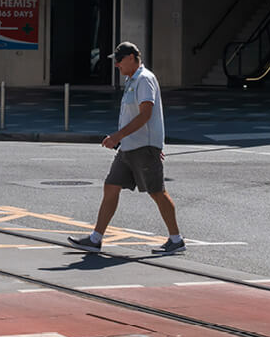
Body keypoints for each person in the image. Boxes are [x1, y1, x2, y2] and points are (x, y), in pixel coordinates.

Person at [67, 42, 184, 255]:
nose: (117, 65)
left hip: (143, 148)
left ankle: (176, 240)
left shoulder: (144, 79)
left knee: (157, 191)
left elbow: (146, 114)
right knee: (111, 186)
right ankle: (95, 239)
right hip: (129, 148)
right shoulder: (132, 80)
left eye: (119, 60)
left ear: (132, 57)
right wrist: (121, 139)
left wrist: (119, 137)